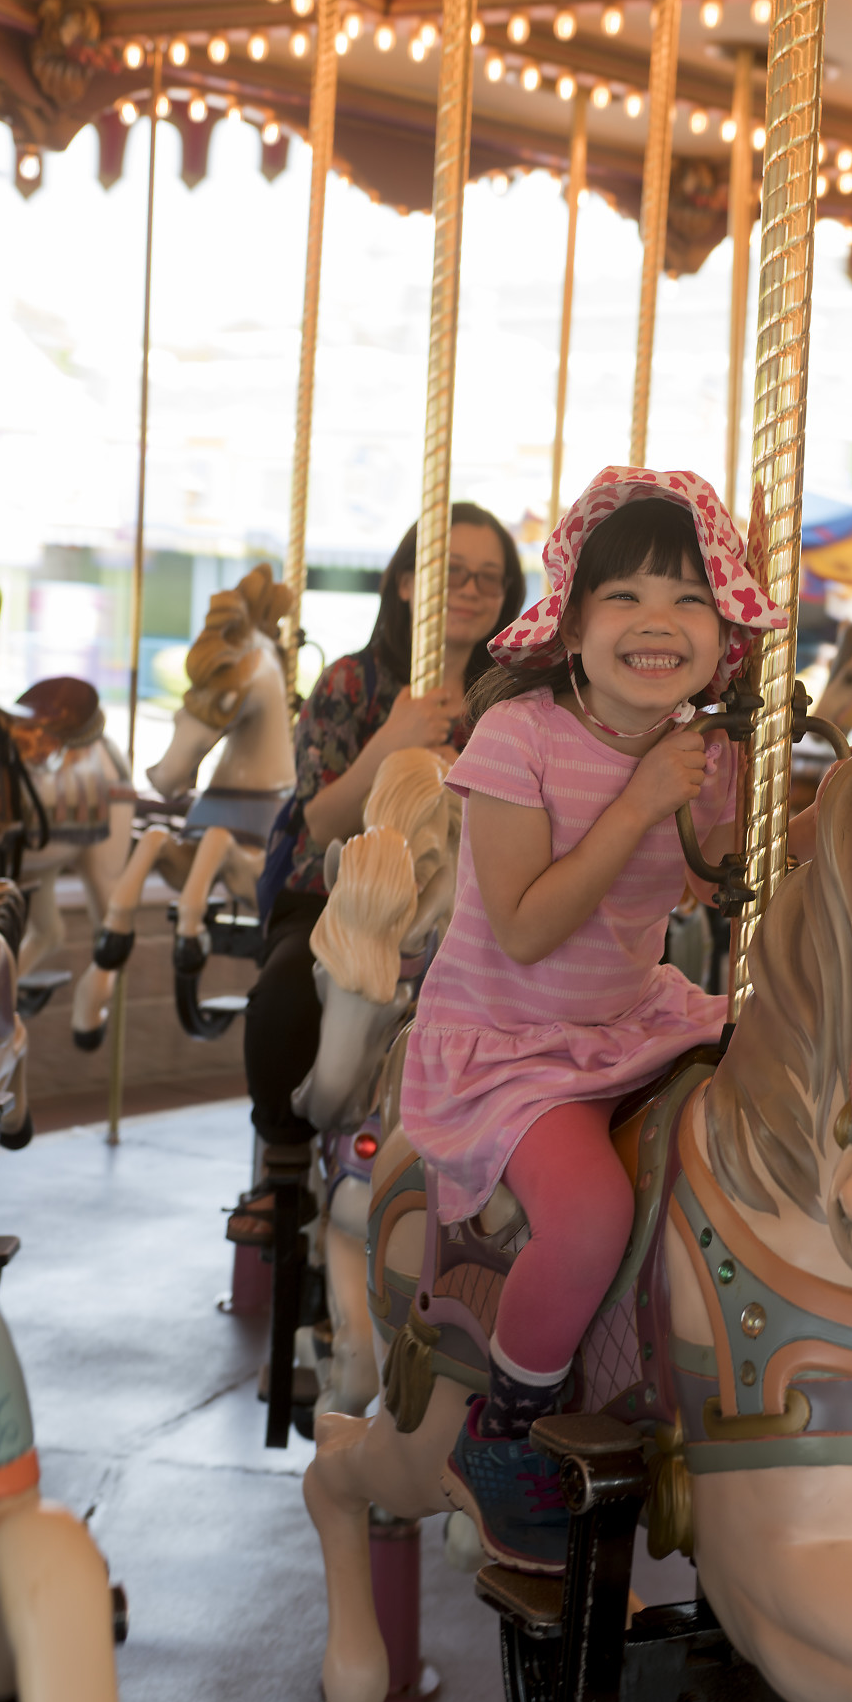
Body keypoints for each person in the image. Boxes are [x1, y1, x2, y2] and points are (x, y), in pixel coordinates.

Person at [400, 467, 786, 1571]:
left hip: (630, 1017)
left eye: (690, 598)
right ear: (570, 627)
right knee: (586, 1214)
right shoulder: (516, 738)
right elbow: (524, 926)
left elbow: (725, 880)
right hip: (510, 1044)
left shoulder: (706, 753)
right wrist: (642, 800)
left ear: (723, 634)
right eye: (625, 597)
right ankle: (506, 1426)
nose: (657, 621)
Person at [228, 503, 525, 1245]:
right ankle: (283, 1166)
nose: (470, 589)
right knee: (285, 991)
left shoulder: (512, 701)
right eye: (451, 572)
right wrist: (391, 743)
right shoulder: (349, 684)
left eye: (488, 578)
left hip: (468, 910)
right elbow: (320, 821)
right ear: (405, 583)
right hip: (341, 895)